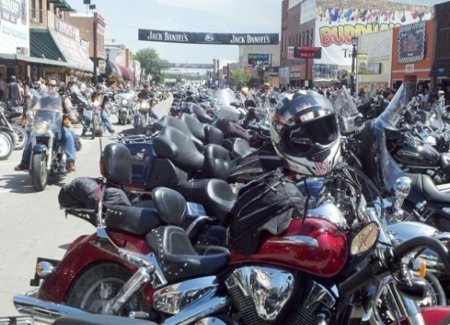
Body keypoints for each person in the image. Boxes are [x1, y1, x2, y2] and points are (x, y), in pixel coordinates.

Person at [14, 78, 78, 172]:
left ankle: (70, 162)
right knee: (32, 137)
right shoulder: (43, 99)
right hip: (43, 125)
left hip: (59, 125)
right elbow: (35, 108)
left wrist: (72, 114)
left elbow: (69, 107)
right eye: (49, 85)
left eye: (53, 85)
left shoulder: (63, 98)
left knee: (68, 136)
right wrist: (30, 113)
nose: (50, 87)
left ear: (57, 88)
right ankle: (24, 162)